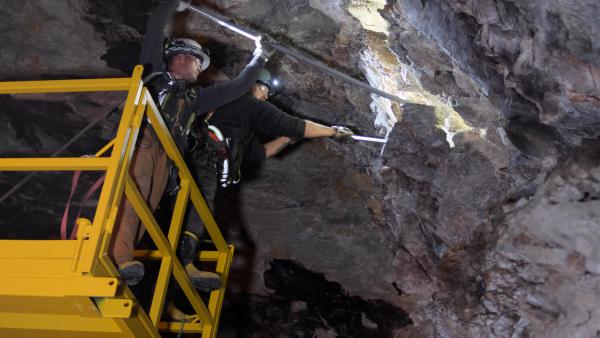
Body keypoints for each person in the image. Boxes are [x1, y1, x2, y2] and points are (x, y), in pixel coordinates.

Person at [110, 0, 272, 288]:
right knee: (132, 200)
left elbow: (234, 89)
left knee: (147, 208)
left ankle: (123, 262)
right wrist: (173, 5)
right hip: (143, 142)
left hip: (167, 157)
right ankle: (119, 257)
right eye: (200, 63)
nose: (201, 71)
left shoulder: (195, 98)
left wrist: (260, 58)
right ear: (183, 58)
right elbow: (155, 27)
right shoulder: (154, 73)